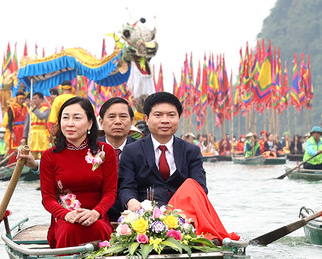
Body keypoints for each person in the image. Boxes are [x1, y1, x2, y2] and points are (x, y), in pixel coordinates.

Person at [38, 96, 118, 249]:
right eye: (65, 118)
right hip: (65, 219)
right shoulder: (50, 156)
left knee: (98, 228)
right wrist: (66, 214)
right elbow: (47, 199)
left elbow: (110, 192)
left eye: (77, 118)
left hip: (97, 217)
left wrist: (95, 213)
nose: (70, 123)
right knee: (70, 229)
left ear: (89, 123)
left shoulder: (104, 151)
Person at [118, 91, 207, 211]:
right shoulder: (132, 150)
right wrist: (131, 201)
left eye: (171, 115)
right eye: (158, 115)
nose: (165, 120)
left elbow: (200, 187)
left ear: (178, 118)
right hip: (143, 215)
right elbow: (126, 186)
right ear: (146, 119)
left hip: (183, 214)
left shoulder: (191, 151)